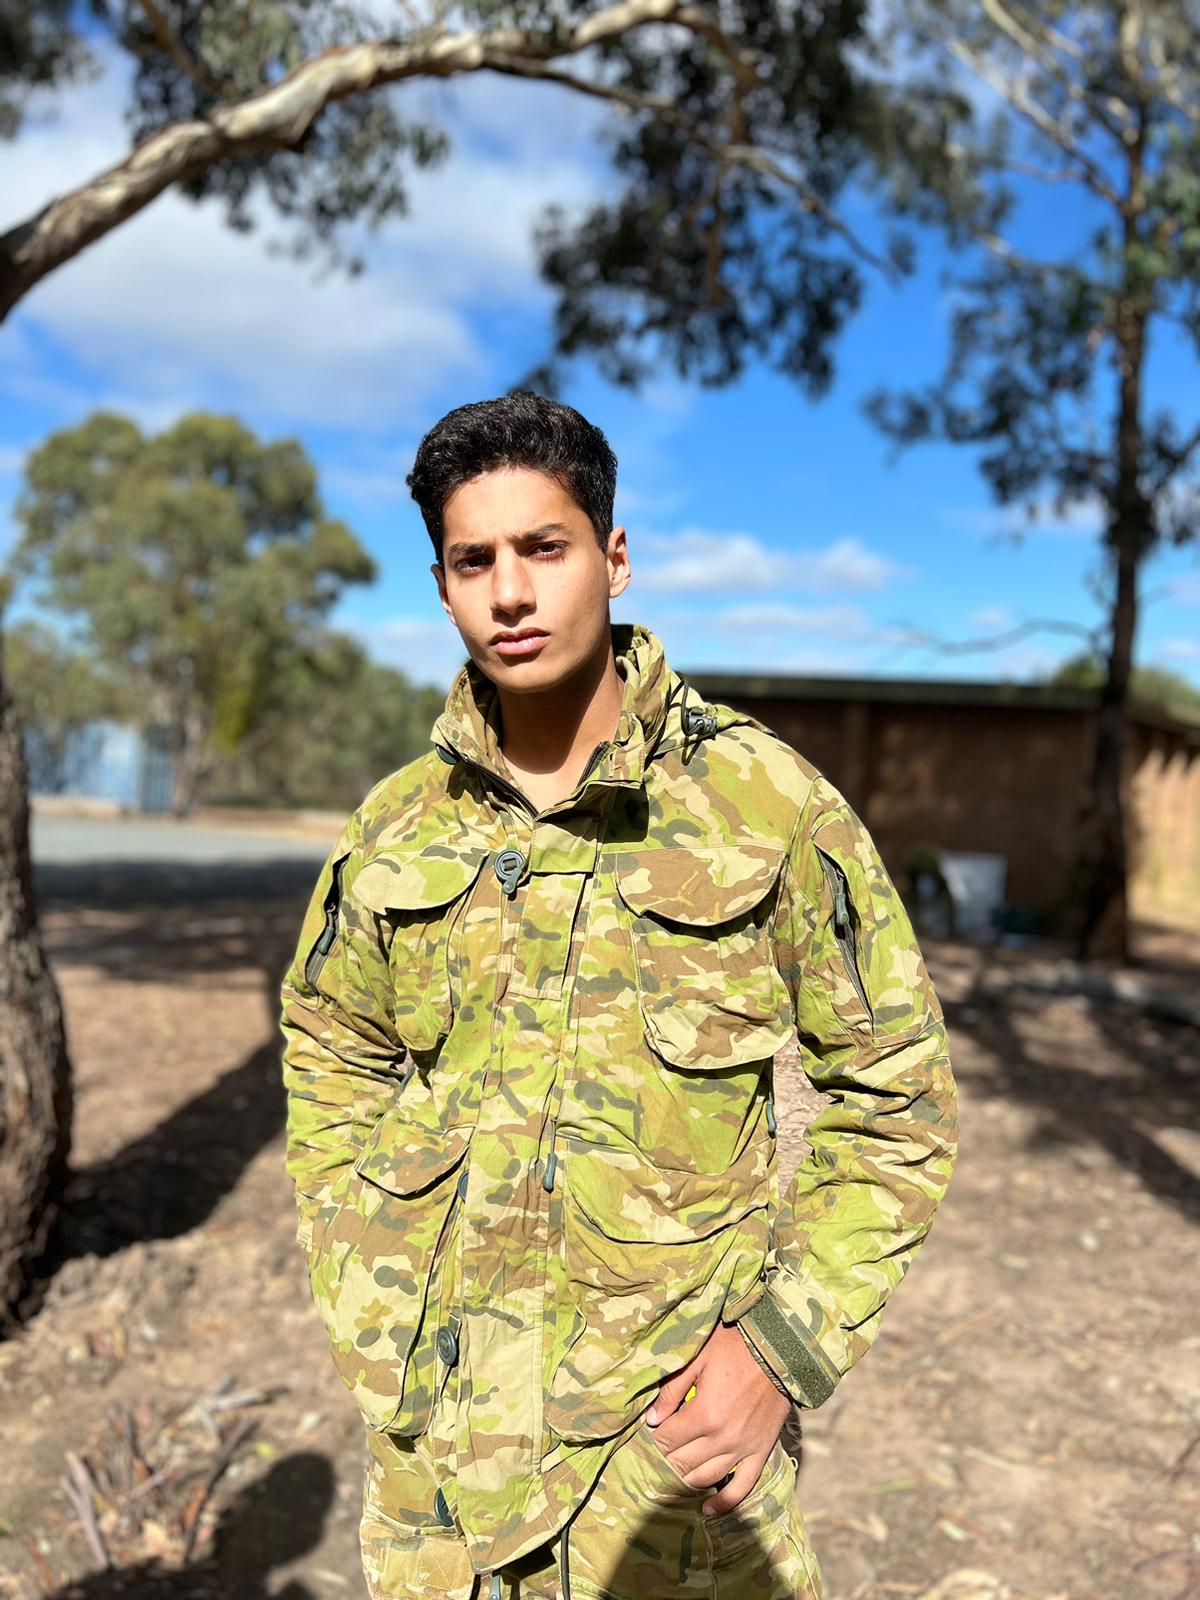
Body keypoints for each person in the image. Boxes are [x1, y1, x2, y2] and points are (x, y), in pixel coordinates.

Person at [278, 390, 958, 1600]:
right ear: (441, 586)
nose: (511, 593)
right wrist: (357, 1260)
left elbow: (895, 1101)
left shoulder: (765, 804)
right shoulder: (396, 825)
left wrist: (778, 1352)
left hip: (661, 1457)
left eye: (544, 547)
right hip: (439, 1456)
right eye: (473, 561)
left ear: (616, 557)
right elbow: (331, 1044)